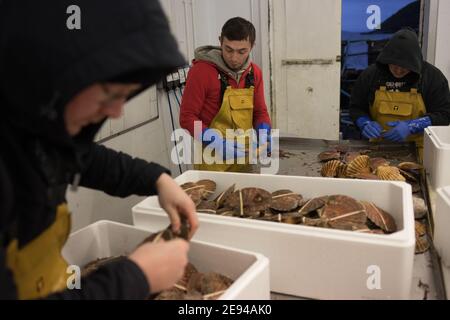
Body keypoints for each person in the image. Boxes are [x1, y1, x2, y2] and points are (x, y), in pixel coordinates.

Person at [0, 0, 198, 299]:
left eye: (125, 95)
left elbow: (82, 159)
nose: (117, 111)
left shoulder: (31, 124)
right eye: (109, 93)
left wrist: (157, 180)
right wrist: (136, 278)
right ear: (52, 77)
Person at [179, 17, 272, 172]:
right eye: (228, 49)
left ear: (252, 46)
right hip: (213, 158)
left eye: (242, 51)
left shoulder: (254, 73)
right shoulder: (201, 72)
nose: (234, 58)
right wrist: (216, 142)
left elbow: (260, 112)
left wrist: (264, 130)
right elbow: (187, 117)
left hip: (245, 156)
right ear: (220, 41)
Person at [350, 28, 450, 159]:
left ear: (414, 63)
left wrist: (413, 126)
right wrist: (364, 122)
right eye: (394, 65)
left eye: (404, 66)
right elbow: (356, 107)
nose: (398, 70)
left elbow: (445, 115)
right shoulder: (371, 75)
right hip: (376, 151)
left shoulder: (432, 77)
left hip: (419, 152)